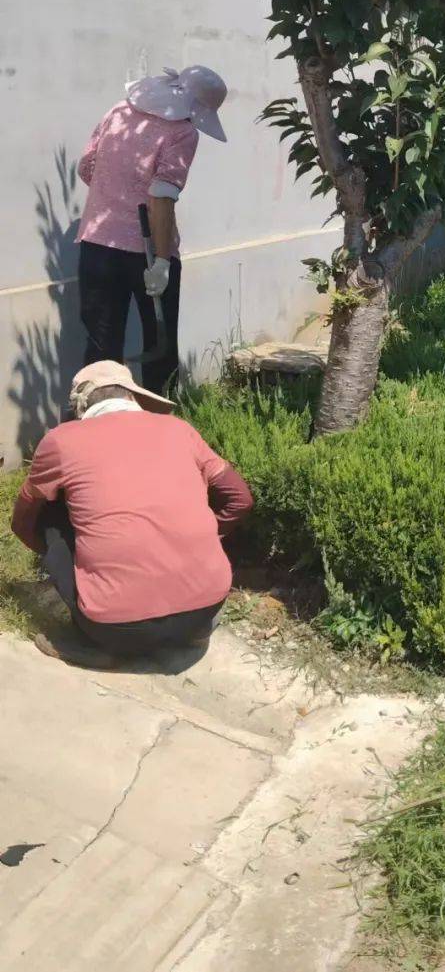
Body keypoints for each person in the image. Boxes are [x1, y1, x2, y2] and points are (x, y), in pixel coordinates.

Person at [11, 360, 252, 669]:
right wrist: (204, 534)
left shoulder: (61, 440)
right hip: (205, 613)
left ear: (81, 407)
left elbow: (23, 520)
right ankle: (176, 634)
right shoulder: (180, 429)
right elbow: (240, 498)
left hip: (111, 628)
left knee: (50, 513)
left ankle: (94, 643)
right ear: (132, 396)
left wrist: (64, 556)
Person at [77, 65, 228, 395]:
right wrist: (161, 262)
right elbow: (161, 197)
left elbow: (87, 166)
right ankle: (158, 422)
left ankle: (99, 422)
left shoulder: (119, 111)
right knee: (160, 347)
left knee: (101, 347)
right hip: (148, 256)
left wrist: (114, 198)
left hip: (96, 243)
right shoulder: (183, 133)